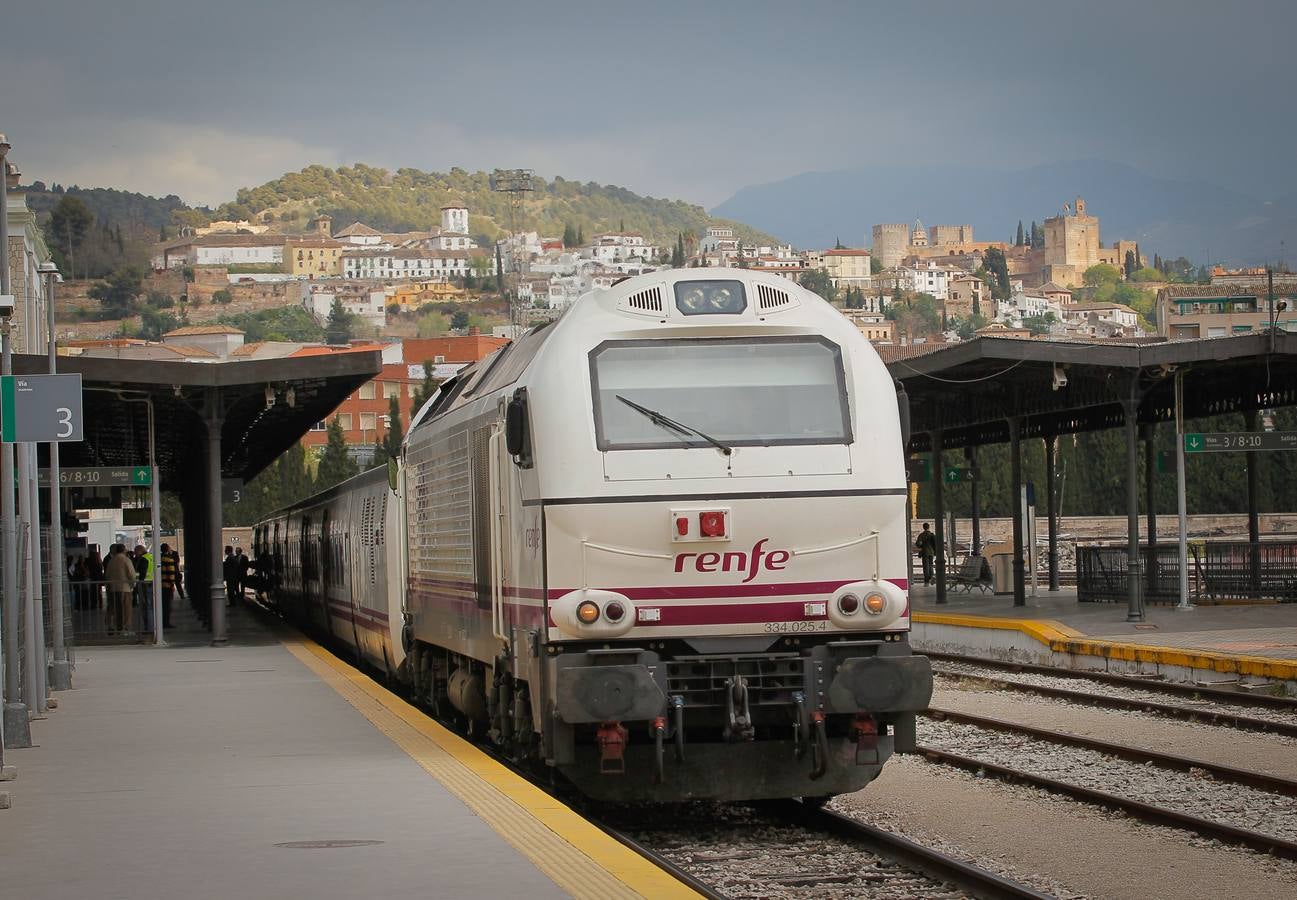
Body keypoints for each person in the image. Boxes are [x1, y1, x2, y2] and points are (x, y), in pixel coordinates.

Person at [105, 544, 138, 636]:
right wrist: (132, 585)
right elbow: (132, 574)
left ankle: (118, 627)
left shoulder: (111, 561)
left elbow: (107, 575)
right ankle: (126, 628)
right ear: (124, 550)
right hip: (125, 588)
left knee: (117, 609)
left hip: (113, 588)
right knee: (126, 609)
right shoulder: (126, 560)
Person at [133, 544, 154, 632]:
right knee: (151, 607)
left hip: (144, 584)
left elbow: (142, 573)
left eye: (135, 552)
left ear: (139, 551)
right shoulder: (151, 557)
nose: (135, 554)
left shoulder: (143, 559)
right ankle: (152, 626)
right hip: (152, 583)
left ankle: (148, 628)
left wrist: (138, 583)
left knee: (146, 607)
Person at [159, 543, 177, 629]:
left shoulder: (160, 558)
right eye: (170, 547)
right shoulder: (169, 559)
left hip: (161, 584)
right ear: (167, 549)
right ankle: (166, 623)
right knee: (168, 605)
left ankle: (162, 622)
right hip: (167, 585)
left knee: (163, 604)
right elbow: (171, 573)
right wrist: (172, 584)